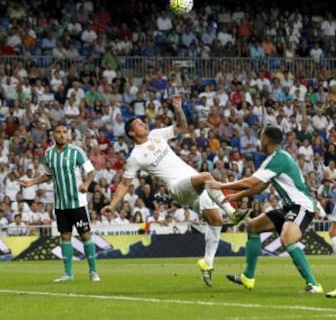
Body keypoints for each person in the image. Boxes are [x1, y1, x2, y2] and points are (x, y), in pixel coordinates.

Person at [101, 95, 248, 287]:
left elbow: (182, 127)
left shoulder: (156, 134)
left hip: (193, 183)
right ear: (131, 133)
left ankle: (207, 262)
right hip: (178, 188)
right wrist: (112, 205)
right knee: (206, 176)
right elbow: (123, 184)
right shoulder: (136, 156)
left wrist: (178, 108)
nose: (143, 124)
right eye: (138, 123)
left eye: (142, 121)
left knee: (216, 220)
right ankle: (234, 213)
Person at [206, 126, 323, 294]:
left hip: (301, 206)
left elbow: (250, 182)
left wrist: (222, 185)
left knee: (287, 239)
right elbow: (260, 186)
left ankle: (314, 285)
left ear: (266, 139)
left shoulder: (277, 158)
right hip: (289, 207)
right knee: (253, 226)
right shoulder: (276, 158)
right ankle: (248, 276)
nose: (259, 141)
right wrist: (237, 196)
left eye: (261, 137)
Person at [17, 123, 100, 282]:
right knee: (65, 236)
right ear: (53, 135)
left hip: (77, 203)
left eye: (64, 132)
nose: (62, 135)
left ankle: (93, 271)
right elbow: (48, 175)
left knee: (85, 235)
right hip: (61, 204)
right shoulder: (48, 154)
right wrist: (32, 182)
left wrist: (86, 184)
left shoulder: (76, 152)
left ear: (67, 135)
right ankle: (68, 274)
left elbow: (91, 171)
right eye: (58, 132)